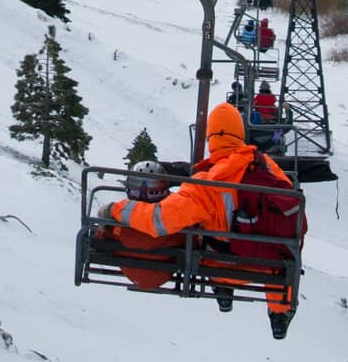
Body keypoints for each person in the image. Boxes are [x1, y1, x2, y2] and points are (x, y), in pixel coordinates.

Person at [106, 103, 303, 338]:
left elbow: (160, 220)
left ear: (211, 138)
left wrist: (115, 210)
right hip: (275, 270)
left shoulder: (207, 184)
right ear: (239, 133)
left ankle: (222, 286)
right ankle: (280, 312)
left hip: (224, 264)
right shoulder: (268, 167)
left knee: (202, 232)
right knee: (271, 244)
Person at [96, 161, 185, 291]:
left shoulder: (117, 222)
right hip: (161, 273)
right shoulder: (173, 221)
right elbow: (191, 243)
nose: (142, 197)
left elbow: (100, 238)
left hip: (130, 269)